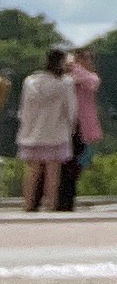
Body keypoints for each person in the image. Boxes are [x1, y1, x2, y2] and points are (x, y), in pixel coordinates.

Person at [16, 47, 76, 212]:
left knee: (33, 171)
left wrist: (26, 126)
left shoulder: (30, 82)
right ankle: (50, 206)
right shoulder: (65, 83)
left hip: (32, 132)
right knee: (52, 173)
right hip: (56, 132)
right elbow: (70, 110)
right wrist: (70, 127)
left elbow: (24, 109)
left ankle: (27, 204)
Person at [57, 48, 101, 213]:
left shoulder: (89, 77)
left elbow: (92, 82)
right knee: (66, 166)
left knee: (79, 164)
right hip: (68, 127)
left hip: (84, 129)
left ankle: (67, 199)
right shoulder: (67, 79)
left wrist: (75, 67)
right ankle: (63, 200)